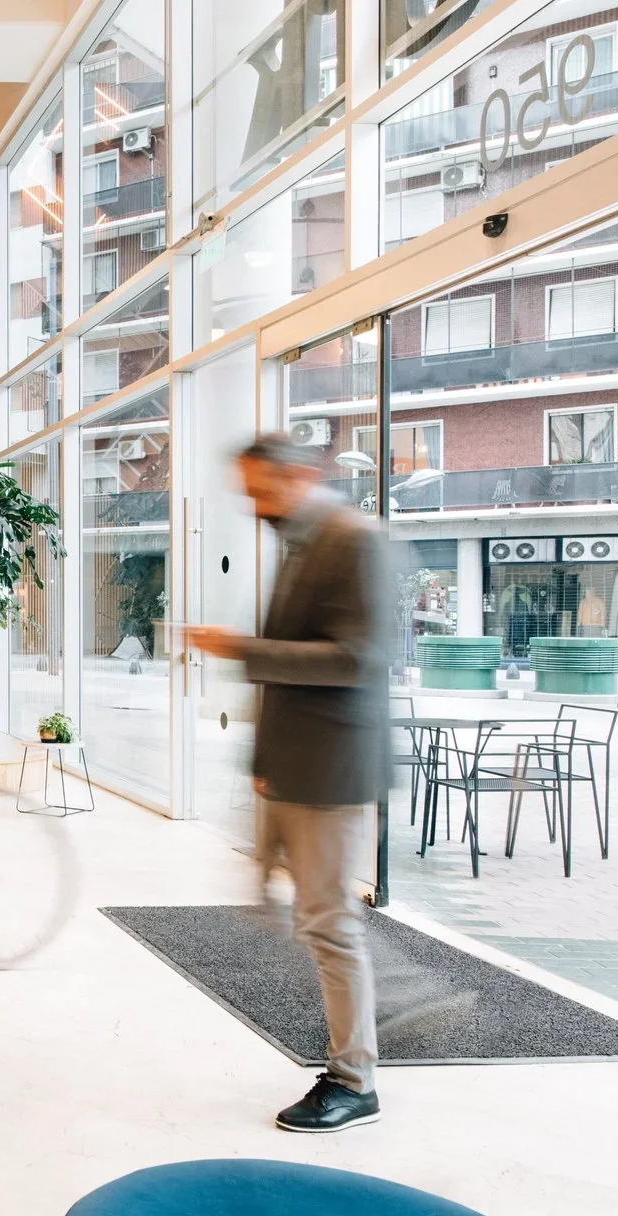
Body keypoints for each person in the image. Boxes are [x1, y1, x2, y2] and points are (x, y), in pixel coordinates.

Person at [187, 435, 394, 1134]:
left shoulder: (351, 540)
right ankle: (350, 1058)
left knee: (331, 926)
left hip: (332, 772)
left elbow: (355, 658)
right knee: (310, 918)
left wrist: (240, 649)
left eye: (262, 491)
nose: (254, 506)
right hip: (295, 767)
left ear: (301, 475)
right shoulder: (302, 541)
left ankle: (353, 1079)